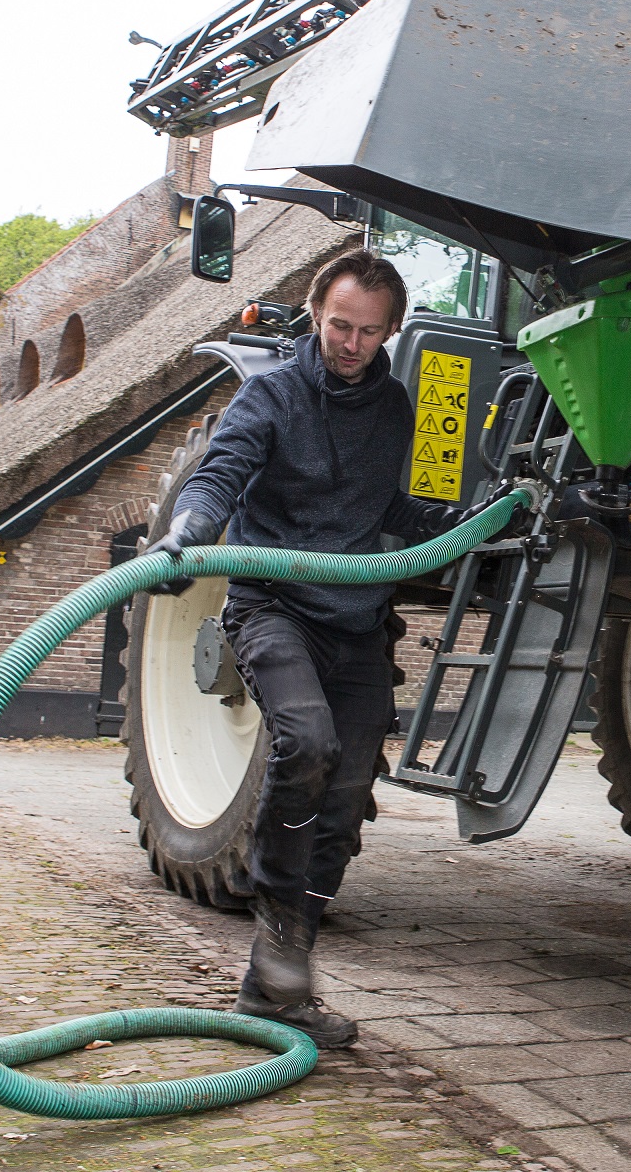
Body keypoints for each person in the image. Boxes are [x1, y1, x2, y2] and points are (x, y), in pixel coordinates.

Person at [153, 248, 534, 1048]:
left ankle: (277, 983)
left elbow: (386, 503)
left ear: (391, 331)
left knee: (350, 787)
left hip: (357, 618)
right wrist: (189, 528)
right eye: (337, 326)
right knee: (307, 742)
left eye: (367, 331)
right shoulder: (272, 394)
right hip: (274, 606)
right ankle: (274, 921)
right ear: (316, 314)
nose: (349, 343)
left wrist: (480, 519)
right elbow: (222, 472)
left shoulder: (394, 407)